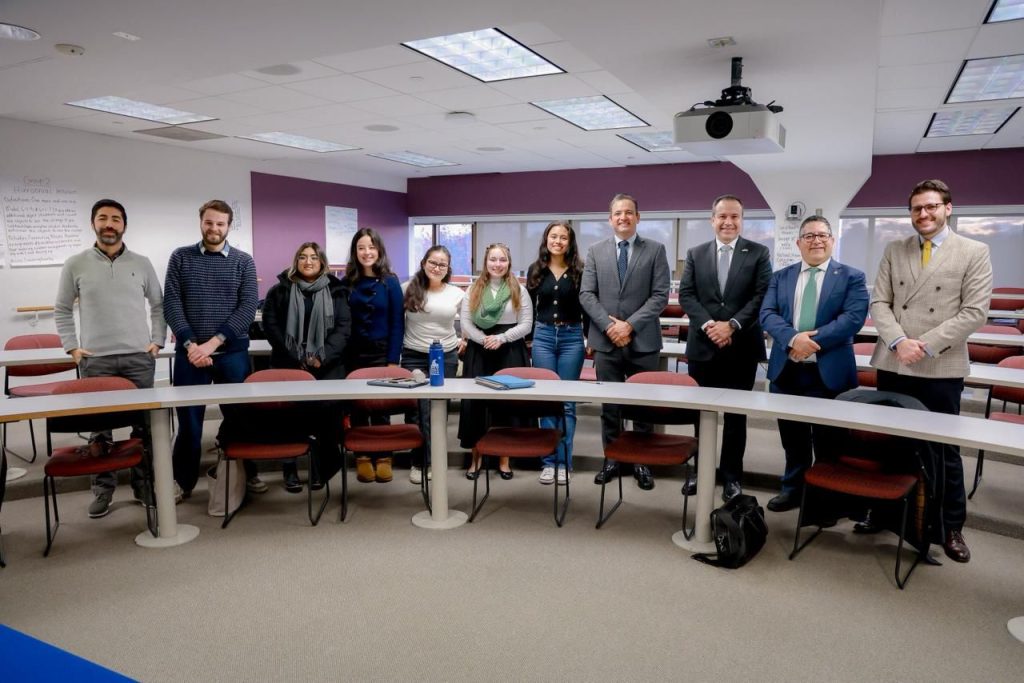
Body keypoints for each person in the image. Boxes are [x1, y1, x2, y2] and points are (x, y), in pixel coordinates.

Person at [869, 179, 992, 563]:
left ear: (947, 208)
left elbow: (975, 312)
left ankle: (949, 527)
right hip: (894, 360)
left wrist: (922, 345)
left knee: (943, 450)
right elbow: (880, 302)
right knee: (893, 442)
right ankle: (887, 514)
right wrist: (898, 342)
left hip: (940, 363)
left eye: (931, 206)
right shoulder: (895, 248)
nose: (923, 214)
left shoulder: (974, 251)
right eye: (916, 208)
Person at [54, 199, 166, 518]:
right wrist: (72, 348)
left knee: (143, 427)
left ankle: (144, 485)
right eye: (102, 218)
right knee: (99, 431)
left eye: (116, 219)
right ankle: (103, 490)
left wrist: (157, 341)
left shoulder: (142, 263)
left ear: (124, 225)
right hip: (96, 361)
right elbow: (62, 309)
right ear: (93, 224)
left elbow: (158, 306)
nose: (109, 224)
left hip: (138, 359)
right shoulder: (75, 264)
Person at [759, 216, 868, 512]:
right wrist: (793, 339)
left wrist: (810, 341)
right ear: (798, 243)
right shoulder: (780, 277)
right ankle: (792, 490)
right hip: (788, 370)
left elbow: (852, 319)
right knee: (792, 439)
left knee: (829, 441)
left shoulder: (852, 277)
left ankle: (825, 501)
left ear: (832, 240)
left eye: (822, 235)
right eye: (809, 236)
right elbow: (767, 314)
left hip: (829, 372)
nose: (816, 240)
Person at [678, 194, 771, 502]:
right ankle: (701, 471)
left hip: (741, 347)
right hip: (703, 347)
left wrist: (731, 325)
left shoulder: (758, 253)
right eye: (722, 216)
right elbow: (687, 295)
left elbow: (761, 296)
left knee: (735, 418)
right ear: (712, 219)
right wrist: (710, 326)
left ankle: (732, 477)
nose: (728, 222)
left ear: (742, 220)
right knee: (701, 415)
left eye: (735, 216)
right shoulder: (696, 253)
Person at [163, 199, 258, 500]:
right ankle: (183, 481)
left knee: (239, 417)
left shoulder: (243, 261)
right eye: (209, 222)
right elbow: (171, 303)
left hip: (231, 353)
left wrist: (213, 343)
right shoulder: (181, 257)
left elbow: (247, 308)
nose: (214, 228)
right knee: (189, 423)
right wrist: (191, 345)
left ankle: (247, 474)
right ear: (201, 222)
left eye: (220, 223)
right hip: (190, 355)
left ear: (229, 226)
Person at [579, 193, 670, 491]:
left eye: (629, 212)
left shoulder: (655, 250)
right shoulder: (595, 251)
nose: (623, 217)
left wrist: (629, 325)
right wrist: (610, 326)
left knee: (643, 407)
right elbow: (586, 295)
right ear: (610, 219)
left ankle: (642, 461)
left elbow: (660, 295)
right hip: (606, 341)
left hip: (643, 340)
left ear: (638, 217)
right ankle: (612, 458)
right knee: (611, 406)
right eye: (618, 213)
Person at [261, 242, 351, 492]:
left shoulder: (337, 290)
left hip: (327, 366)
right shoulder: (279, 290)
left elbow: (343, 328)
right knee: (289, 417)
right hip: (288, 363)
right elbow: (271, 326)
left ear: (322, 262)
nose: (308, 261)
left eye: (313, 257)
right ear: (296, 261)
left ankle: (319, 468)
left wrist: (322, 357)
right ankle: (289, 468)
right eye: (302, 257)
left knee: (324, 419)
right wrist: (296, 357)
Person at [458, 243, 533, 479]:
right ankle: (476, 459)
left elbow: (526, 324)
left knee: (506, 406)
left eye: (502, 260)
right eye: (493, 259)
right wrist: (483, 339)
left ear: (509, 263)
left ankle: (504, 460)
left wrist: (502, 338)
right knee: (475, 406)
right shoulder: (473, 289)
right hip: (479, 349)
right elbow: (465, 323)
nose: (497, 264)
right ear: (485, 262)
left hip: (509, 350)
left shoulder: (519, 290)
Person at [527, 221, 586, 486]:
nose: (558, 241)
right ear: (546, 239)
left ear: (570, 243)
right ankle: (549, 463)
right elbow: (528, 306)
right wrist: (528, 337)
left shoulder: (580, 270)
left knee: (567, 403)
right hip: (543, 337)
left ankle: (564, 463)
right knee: (548, 400)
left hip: (572, 337)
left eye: (563, 237)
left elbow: (587, 305)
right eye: (554, 236)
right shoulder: (536, 269)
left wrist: (590, 338)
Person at [401, 245, 466, 484]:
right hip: (413, 355)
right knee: (416, 412)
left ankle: (434, 460)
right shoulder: (407, 288)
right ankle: (418, 462)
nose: (437, 268)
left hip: (445, 355)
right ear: (423, 263)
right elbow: (396, 322)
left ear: (448, 268)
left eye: (442, 264)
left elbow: (468, 320)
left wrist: (465, 338)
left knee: (437, 410)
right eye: (433, 262)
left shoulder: (457, 293)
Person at [344, 227, 404, 484]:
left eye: (371, 247)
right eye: (361, 248)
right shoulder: (347, 282)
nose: (366, 252)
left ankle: (383, 457)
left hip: (382, 352)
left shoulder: (391, 282)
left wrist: (392, 360)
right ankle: (362, 457)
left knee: (381, 408)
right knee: (358, 407)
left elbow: (397, 323)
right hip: (353, 353)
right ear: (355, 252)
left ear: (379, 250)